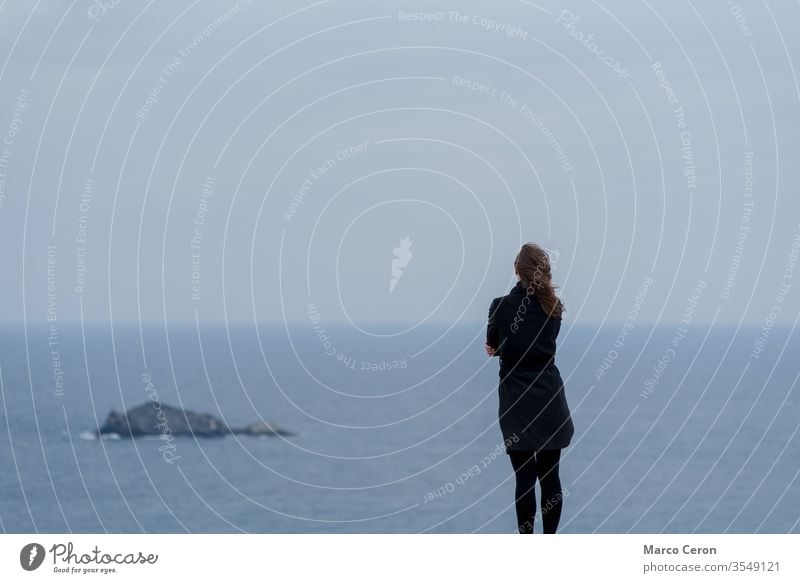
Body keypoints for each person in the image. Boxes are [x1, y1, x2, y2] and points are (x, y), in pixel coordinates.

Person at [485, 242, 574, 534]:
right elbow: (545, 342)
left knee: (524, 478)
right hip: (549, 397)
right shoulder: (554, 307)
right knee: (551, 476)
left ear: (516, 271)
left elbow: (493, 346)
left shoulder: (500, 306)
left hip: (515, 399)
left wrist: (500, 347)